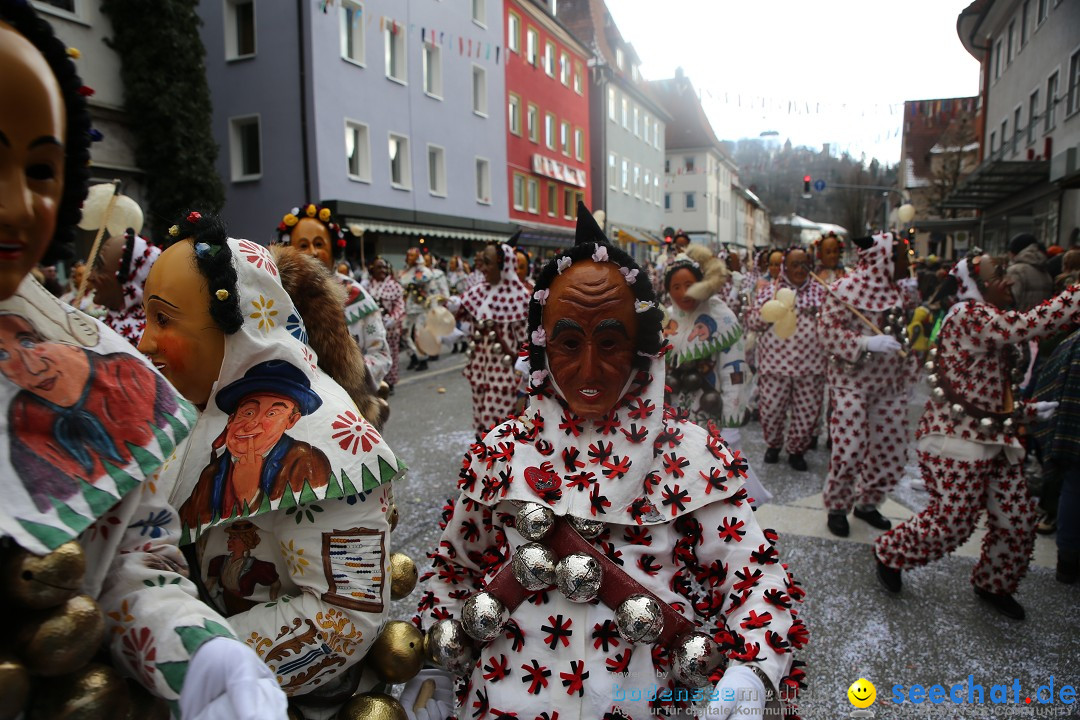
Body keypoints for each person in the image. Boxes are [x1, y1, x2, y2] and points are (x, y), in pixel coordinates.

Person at [409, 204, 807, 719]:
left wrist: (752, 673)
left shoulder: (689, 455)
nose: (590, 367)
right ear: (541, 347)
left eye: (611, 342)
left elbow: (755, 579)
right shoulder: (502, 452)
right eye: (569, 343)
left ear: (641, 346)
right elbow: (453, 567)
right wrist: (435, 667)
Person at [0, 5, 285, 717]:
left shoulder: (97, 373)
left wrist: (203, 657)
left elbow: (133, 568)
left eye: (39, 167)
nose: (14, 205)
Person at [141, 210, 404, 715]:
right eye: (147, 318)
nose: (145, 342)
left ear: (230, 326)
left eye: (164, 319)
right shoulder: (198, 421)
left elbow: (344, 618)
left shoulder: (331, 446)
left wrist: (194, 665)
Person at [875, 253, 1079, 619]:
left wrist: (1027, 411)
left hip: (997, 439)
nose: (1009, 281)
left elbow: (986, 391)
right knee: (953, 519)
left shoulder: (989, 320)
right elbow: (1026, 325)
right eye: (998, 274)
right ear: (976, 285)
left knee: (1017, 518)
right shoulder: (969, 314)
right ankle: (890, 553)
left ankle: (994, 582)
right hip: (954, 439)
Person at [819, 233, 918, 537]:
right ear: (883, 257)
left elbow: (904, 333)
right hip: (851, 382)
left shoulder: (901, 292)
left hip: (890, 384)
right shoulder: (843, 289)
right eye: (902, 255)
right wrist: (864, 342)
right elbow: (826, 332)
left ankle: (868, 503)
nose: (908, 261)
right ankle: (838, 506)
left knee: (891, 448)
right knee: (848, 449)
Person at [278, 203, 391, 389]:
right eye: (303, 245)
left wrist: (348, 378)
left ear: (333, 248)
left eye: (319, 244)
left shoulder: (355, 295)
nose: (313, 252)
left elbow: (380, 353)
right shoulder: (277, 297)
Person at [749, 248, 826, 471]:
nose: (800, 269)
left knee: (807, 413)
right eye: (795, 264)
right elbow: (753, 323)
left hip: (811, 367)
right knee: (771, 411)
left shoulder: (822, 293)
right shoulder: (769, 292)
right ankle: (773, 445)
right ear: (785, 267)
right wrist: (770, 312)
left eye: (804, 264)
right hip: (775, 366)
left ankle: (797, 450)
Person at [664, 244, 749, 442]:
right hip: (670, 421)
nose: (684, 292)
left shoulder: (723, 319)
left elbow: (734, 373)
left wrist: (730, 423)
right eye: (676, 287)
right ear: (668, 290)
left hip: (710, 421)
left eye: (689, 284)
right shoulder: (665, 320)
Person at [457, 241, 531, 436]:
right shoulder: (479, 291)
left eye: (488, 263)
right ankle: (482, 458)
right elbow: (461, 314)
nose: (482, 268)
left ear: (502, 265)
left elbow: (527, 344)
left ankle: (498, 461)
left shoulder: (521, 297)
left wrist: (524, 378)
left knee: (499, 428)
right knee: (480, 421)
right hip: (478, 371)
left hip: (504, 377)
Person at [87, 228, 160, 346]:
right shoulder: (108, 324)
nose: (90, 277)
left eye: (100, 268)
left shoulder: (140, 341)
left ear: (129, 282)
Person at [367, 256, 406, 393]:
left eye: (384, 267)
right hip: (372, 328)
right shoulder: (366, 285)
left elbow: (400, 306)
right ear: (372, 269)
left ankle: (390, 383)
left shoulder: (394, 286)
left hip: (390, 328)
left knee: (392, 354)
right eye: (379, 267)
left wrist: (393, 318)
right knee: (373, 353)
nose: (382, 270)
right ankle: (375, 381)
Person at [400, 247, 435, 372]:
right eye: (408, 255)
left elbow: (424, 283)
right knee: (404, 332)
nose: (409, 258)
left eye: (412, 256)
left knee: (418, 334)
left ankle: (423, 359)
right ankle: (413, 355)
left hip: (421, 308)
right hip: (408, 309)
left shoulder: (423, 271)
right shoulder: (406, 271)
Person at [1005, 233, 1053, 312]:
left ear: (1015, 251)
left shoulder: (1015, 270)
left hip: (1021, 320)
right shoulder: (1044, 269)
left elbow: (1010, 300)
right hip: (1041, 319)